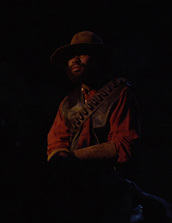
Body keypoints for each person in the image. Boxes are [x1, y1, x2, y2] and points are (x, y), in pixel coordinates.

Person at [46, 31, 141, 223]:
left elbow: (123, 146)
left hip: (111, 185)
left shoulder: (120, 93)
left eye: (83, 53)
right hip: (74, 186)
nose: (75, 59)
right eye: (71, 56)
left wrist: (71, 157)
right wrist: (58, 157)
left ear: (99, 59)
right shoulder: (67, 103)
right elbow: (55, 144)